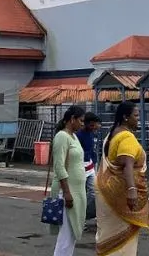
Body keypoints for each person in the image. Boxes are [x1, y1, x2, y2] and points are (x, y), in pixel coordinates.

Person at [95, 101, 149, 255]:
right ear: (126, 117)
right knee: (122, 241)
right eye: (136, 115)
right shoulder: (127, 137)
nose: (138, 119)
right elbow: (127, 165)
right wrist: (132, 190)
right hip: (121, 195)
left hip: (107, 192)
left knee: (107, 233)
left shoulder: (112, 133)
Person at [50, 105, 87, 256]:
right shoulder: (61, 137)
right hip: (67, 192)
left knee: (71, 234)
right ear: (72, 119)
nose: (83, 124)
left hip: (76, 191)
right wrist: (66, 192)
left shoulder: (74, 136)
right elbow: (59, 167)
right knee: (66, 235)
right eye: (81, 121)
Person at [75, 112, 101, 222]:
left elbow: (91, 150)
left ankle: (85, 214)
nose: (98, 126)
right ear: (90, 124)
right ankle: (79, 216)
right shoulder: (79, 135)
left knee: (94, 192)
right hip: (81, 167)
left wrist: (93, 160)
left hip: (90, 167)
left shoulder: (91, 134)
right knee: (81, 193)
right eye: (95, 124)